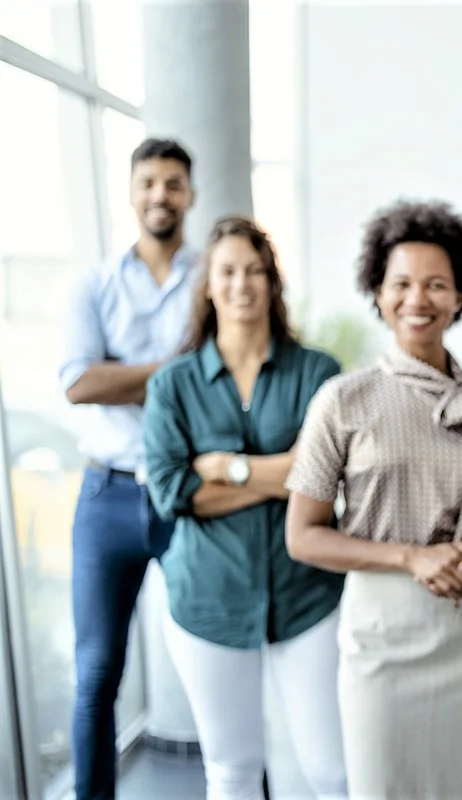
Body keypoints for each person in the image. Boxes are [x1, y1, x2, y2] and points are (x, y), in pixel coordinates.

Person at [284, 199, 462, 798]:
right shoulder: (342, 400)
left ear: (461, 296)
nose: (418, 299)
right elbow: (302, 536)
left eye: (436, 284)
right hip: (383, 639)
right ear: (378, 293)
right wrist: (412, 557)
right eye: (401, 283)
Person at [141, 216, 347, 800]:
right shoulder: (172, 385)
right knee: (231, 771)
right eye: (228, 271)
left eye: (255, 271)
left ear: (272, 283)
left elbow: (326, 481)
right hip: (207, 601)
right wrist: (283, 474)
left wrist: (225, 468)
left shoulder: (318, 372)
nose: (242, 284)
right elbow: (172, 493)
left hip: (305, 596)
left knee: (330, 770)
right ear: (208, 284)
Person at [58, 138, 200, 800]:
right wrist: (173, 371)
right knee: (96, 672)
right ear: (131, 191)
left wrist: (129, 376)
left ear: (190, 195)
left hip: (188, 496)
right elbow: (80, 384)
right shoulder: (94, 282)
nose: (160, 195)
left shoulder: (210, 280)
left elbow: (220, 380)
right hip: (106, 497)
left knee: (216, 658)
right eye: (149, 182)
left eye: (173, 183)